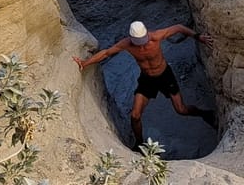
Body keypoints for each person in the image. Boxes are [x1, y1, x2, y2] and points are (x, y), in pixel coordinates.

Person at [73, 21, 216, 150]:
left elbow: (178, 28)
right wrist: (85, 63)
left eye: (143, 40)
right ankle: (139, 144)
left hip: (165, 76)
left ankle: (205, 113)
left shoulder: (155, 36)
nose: (142, 45)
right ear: (132, 39)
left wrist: (198, 37)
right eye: (138, 42)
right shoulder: (127, 43)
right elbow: (106, 53)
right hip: (147, 79)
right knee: (135, 115)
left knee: (181, 109)